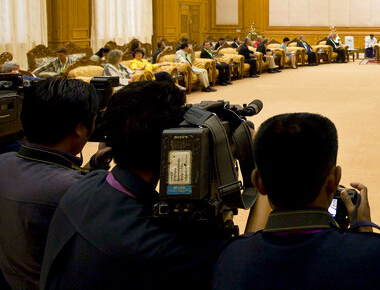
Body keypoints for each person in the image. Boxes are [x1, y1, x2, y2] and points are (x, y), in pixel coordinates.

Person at [39, 82, 251, 290]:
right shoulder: (162, 246)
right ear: (172, 143)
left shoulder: (84, 186)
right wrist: (258, 172)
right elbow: (247, 266)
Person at [212, 113, 380, 290]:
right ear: (333, 180)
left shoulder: (231, 258)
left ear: (257, 183)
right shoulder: (374, 257)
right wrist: (365, 236)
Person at [0, 78, 111, 289]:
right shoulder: (76, 190)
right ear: (80, 128)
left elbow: (44, 180)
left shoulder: (3, 162)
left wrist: (92, 167)